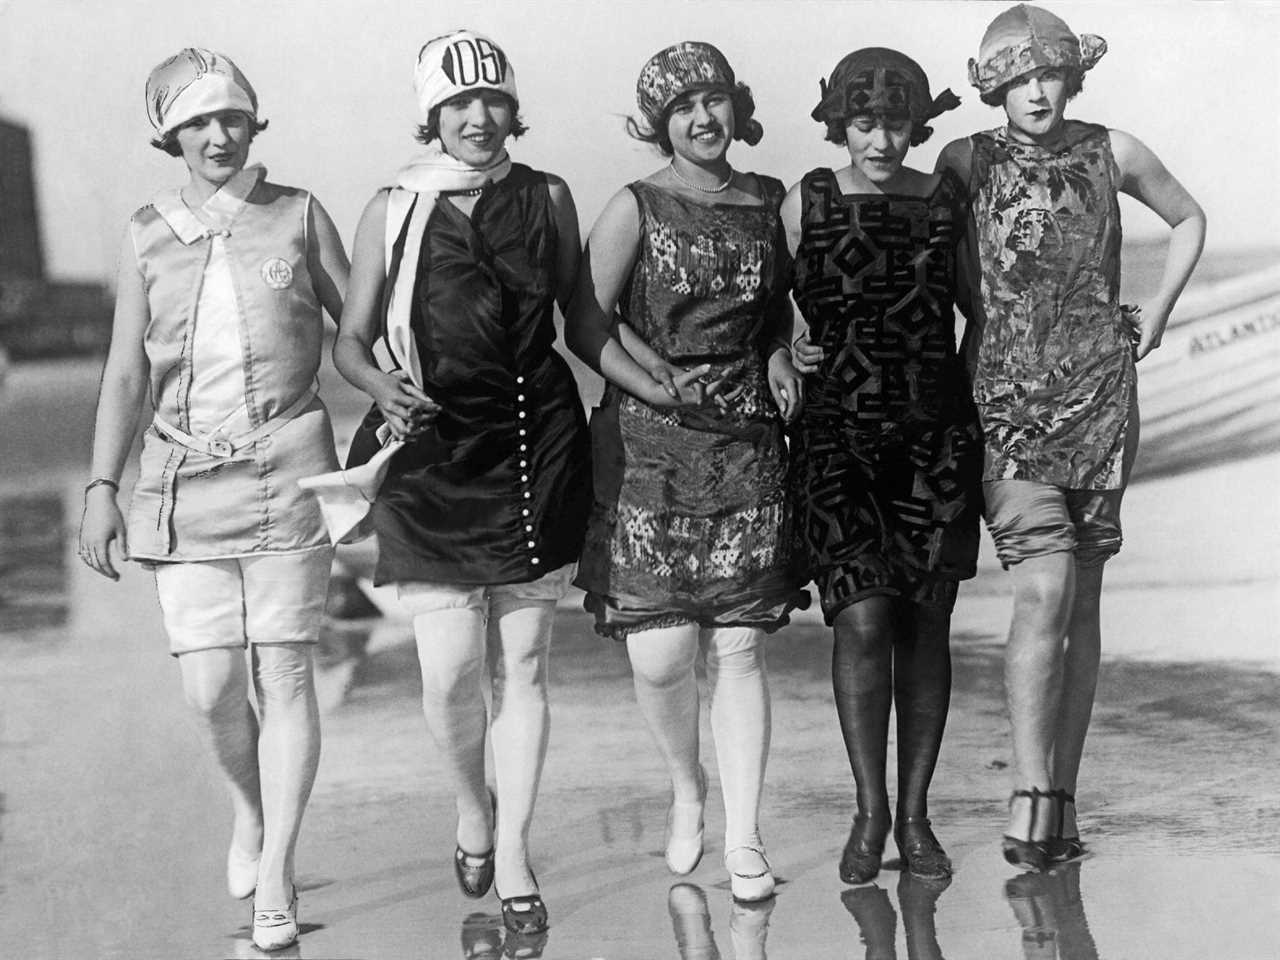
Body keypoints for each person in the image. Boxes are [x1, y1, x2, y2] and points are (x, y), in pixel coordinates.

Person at [77, 48, 348, 951]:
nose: (219, 136)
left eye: (232, 118)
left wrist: (402, 405)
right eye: (198, 123)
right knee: (210, 687)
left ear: (252, 123)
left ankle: (276, 879)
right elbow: (123, 375)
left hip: (291, 470)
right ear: (172, 135)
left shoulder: (299, 215)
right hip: (182, 481)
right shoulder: (146, 232)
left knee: (287, 673)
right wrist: (102, 490)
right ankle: (249, 808)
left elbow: (366, 328)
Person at [330, 30, 590, 937]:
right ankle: (471, 808)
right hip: (433, 455)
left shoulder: (549, 196)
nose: (478, 118)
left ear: (515, 109)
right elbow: (350, 341)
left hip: (534, 445)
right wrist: (377, 387)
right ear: (432, 115)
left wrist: (663, 385)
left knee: (523, 666)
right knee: (447, 675)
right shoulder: (392, 207)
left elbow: (581, 319)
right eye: (458, 105)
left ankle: (513, 848)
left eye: (494, 101)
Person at [935, 3, 1206, 870]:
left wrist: (1154, 316)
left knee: (1083, 599)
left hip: (1100, 399)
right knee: (1043, 590)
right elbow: (907, 251)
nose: (1036, 91)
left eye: (1049, 73)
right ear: (994, 86)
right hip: (1003, 400)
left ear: (1071, 76)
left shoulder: (1113, 149)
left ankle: (1064, 793)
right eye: (1017, 78)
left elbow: (1190, 218)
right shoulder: (962, 160)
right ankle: (1026, 787)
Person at [567, 40, 806, 903]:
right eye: (682, 108)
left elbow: (782, 311)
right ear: (659, 124)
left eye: (715, 101)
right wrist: (654, 380)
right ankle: (685, 786)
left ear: (737, 106)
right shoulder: (634, 206)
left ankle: (745, 837)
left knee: (739, 647)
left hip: (746, 439)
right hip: (647, 444)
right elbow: (585, 322)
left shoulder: (771, 201)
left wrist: (782, 355)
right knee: (663, 654)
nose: (703, 119)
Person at [784, 48, 982, 884]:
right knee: (862, 619)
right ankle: (868, 814)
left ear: (917, 125)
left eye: (896, 124)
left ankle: (915, 818)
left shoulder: (943, 200)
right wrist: (779, 353)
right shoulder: (808, 200)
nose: (880, 140)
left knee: (924, 626)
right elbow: (763, 310)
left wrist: (955, 401)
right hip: (835, 441)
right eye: (864, 123)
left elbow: (982, 312)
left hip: (933, 444)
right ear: (840, 123)